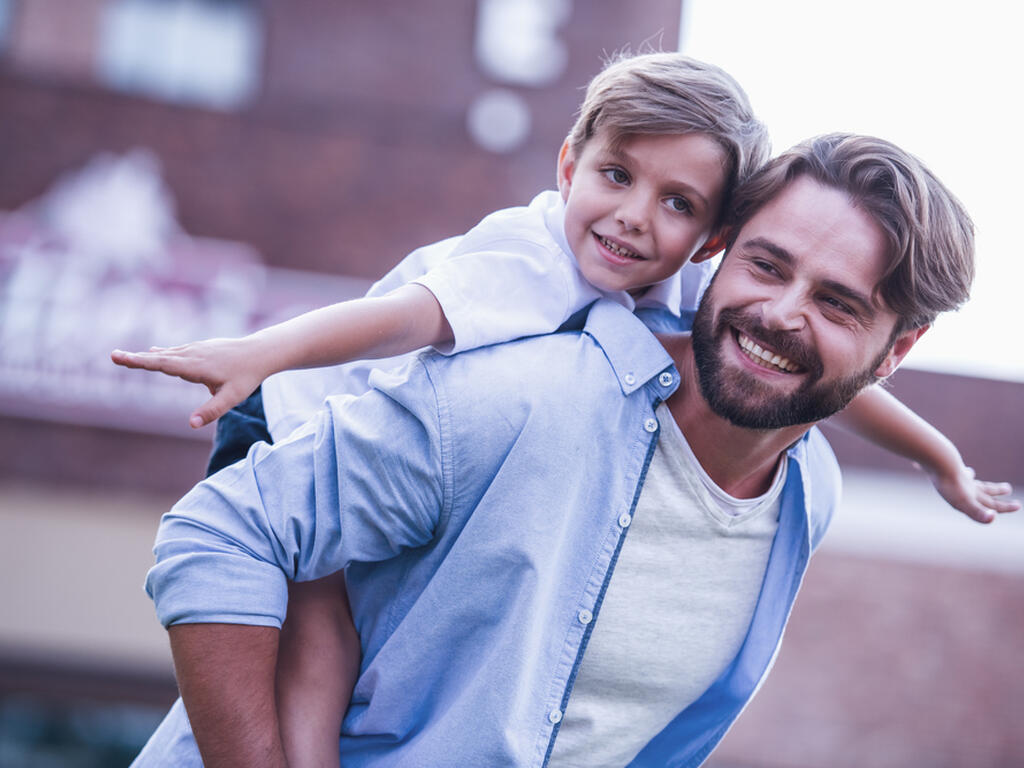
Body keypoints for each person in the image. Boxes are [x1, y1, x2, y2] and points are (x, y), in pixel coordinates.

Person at [132, 134, 1017, 767]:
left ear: (896, 350)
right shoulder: (523, 394)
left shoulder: (805, 497)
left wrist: (943, 463)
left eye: (838, 303)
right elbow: (222, 535)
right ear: (719, 254)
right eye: (768, 267)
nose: (781, 313)